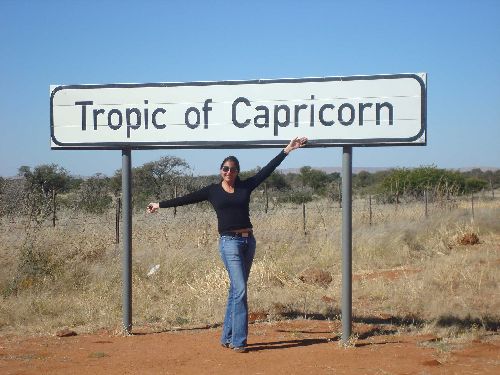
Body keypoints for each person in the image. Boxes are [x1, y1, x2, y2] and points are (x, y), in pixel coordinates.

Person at [147, 136, 308, 353]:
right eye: (225, 168)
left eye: (232, 169)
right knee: (241, 289)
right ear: (220, 170)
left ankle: (227, 336)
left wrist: (288, 149)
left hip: (248, 242)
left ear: (237, 171)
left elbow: (267, 170)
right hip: (229, 243)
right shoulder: (212, 191)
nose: (228, 172)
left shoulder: (245, 186)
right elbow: (186, 198)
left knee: (235, 291)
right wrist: (159, 204)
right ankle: (239, 342)